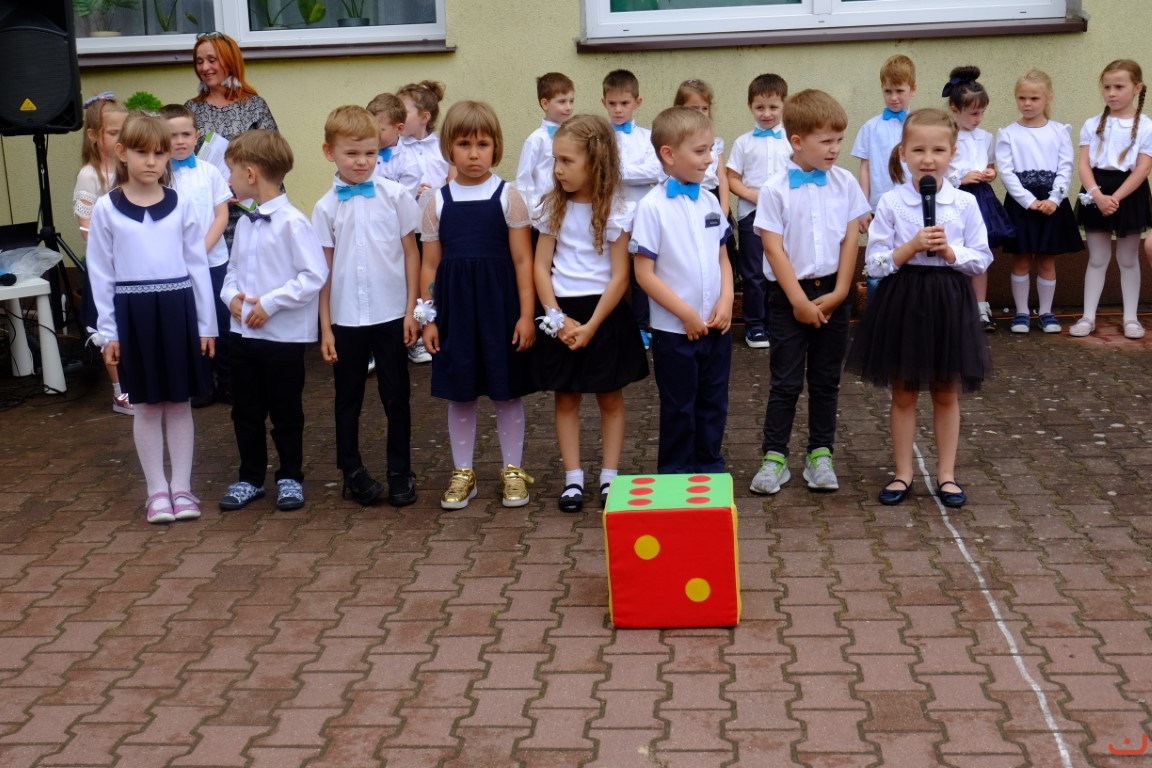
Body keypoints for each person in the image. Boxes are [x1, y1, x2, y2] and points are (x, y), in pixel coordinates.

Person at [845, 109, 993, 509]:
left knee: (946, 391)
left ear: (953, 153)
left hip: (949, 299)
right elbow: (874, 263)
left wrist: (951, 252)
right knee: (904, 392)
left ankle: (946, 475)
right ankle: (903, 473)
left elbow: (982, 257)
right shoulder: (892, 202)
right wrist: (909, 247)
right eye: (919, 150)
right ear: (903, 153)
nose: (928, 159)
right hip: (904, 299)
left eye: (938, 150)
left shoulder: (964, 203)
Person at [85, 112, 217, 524]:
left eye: (159, 154)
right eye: (142, 152)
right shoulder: (106, 209)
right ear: (122, 153)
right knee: (145, 406)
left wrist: (206, 324)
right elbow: (100, 273)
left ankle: (182, 487)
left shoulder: (181, 204)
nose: (151, 161)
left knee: (178, 402)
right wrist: (108, 332)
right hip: (133, 314)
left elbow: (197, 265)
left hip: (177, 310)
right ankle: (156, 491)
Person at [748, 90, 871, 496]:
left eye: (839, 140)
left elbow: (850, 240)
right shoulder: (774, 189)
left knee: (825, 380)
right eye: (826, 141)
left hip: (833, 290)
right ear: (797, 141)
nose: (835, 149)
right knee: (785, 380)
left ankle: (820, 454)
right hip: (788, 296)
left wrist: (841, 292)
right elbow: (772, 248)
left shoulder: (845, 183)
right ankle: (774, 456)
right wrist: (798, 301)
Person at [418, 101, 537, 509]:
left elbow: (522, 260)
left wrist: (526, 315)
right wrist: (428, 317)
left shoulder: (509, 197)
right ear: (449, 148)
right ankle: (463, 472)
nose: (473, 154)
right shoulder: (436, 202)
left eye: (482, 144)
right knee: (461, 392)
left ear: (496, 147)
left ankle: (512, 470)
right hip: (456, 312)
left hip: (500, 308)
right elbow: (429, 264)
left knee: (507, 392)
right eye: (464, 144)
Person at [533, 114, 648, 512]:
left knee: (610, 397)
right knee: (566, 398)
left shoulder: (616, 209)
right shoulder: (552, 207)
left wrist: (593, 325)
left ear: (595, 161)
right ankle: (573, 478)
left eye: (567, 160)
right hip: (562, 312)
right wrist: (556, 317)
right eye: (556, 160)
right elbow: (540, 267)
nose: (558, 169)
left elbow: (620, 276)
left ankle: (609, 477)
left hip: (604, 313)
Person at [312, 106, 422, 507]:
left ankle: (400, 471)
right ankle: (352, 471)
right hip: (346, 319)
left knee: (396, 396)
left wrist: (411, 310)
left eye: (370, 153)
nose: (362, 162)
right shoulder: (325, 207)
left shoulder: (395, 196)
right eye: (352, 154)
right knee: (348, 398)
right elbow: (322, 272)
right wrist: (325, 328)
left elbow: (411, 254)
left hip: (391, 314)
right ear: (329, 152)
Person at [218, 130, 328, 513]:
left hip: (282, 339)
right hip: (243, 336)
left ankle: (290, 476)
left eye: (231, 171)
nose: (227, 180)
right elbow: (232, 271)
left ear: (250, 174)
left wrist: (270, 303)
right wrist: (231, 297)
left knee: (285, 410)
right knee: (244, 410)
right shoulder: (244, 222)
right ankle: (250, 478)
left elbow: (313, 275)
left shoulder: (293, 223)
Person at [632, 106, 734, 475]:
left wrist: (726, 300)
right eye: (701, 151)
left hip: (716, 326)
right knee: (679, 407)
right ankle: (675, 474)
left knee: (713, 402)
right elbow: (644, 274)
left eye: (711, 150)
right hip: (675, 332)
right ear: (669, 154)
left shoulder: (709, 200)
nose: (709, 159)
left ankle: (709, 467)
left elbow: (722, 257)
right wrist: (685, 314)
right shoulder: (651, 208)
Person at [186, 32, 279, 405]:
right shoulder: (192, 110)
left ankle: (235, 376)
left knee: (242, 294)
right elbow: (180, 163)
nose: (205, 67)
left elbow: (272, 158)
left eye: (212, 59)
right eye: (199, 61)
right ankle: (205, 377)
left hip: (247, 213)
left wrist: (247, 187)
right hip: (209, 221)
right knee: (209, 296)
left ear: (230, 61)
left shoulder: (254, 106)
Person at [995, 70, 1083, 334]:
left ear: (1048, 98)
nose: (1027, 103)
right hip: (1021, 205)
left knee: (1046, 260)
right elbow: (1006, 172)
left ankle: (1045, 312)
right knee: (1021, 260)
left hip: (1051, 204)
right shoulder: (1008, 134)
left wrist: (1054, 199)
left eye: (1034, 98)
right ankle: (1021, 312)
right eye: (1022, 98)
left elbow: (1065, 168)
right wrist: (1029, 201)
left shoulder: (1059, 131)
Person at [1072, 59, 1152, 339]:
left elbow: (1143, 168)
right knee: (1097, 258)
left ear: (1137, 88)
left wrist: (1115, 198)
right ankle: (1088, 317)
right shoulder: (1092, 124)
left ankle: (1131, 318)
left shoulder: (1146, 126)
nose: (1112, 93)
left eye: (1119, 86)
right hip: (1097, 190)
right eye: (1107, 87)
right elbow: (1084, 164)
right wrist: (1097, 195)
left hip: (1128, 193)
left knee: (1128, 259)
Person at [160, 104, 232, 406]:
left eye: (185, 134)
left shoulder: (210, 172)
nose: (180, 141)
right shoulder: (160, 176)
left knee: (222, 321)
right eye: (172, 135)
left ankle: (228, 382)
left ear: (197, 135)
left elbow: (221, 215)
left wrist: (201, 249)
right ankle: (201, 384)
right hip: (177, 266)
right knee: (191, 323)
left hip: (213, 261)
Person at [942, 66, 1015, 332]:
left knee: (978, 251)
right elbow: (941, 170)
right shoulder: (947, 136)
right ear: (955, 109)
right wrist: (960, 178)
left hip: (981, 198)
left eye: (982, 112)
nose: (979, 118)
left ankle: (980, 307)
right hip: (954, 197)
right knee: (953, 250)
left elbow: (991, 165)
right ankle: (954, 307)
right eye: (973, 113)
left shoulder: (985, 137)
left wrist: (990, 173)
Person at [73, 92, 131, 415]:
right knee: (109, 329)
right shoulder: (90, 175)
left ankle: (138, 382)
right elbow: (85, 226)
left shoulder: (129, 169)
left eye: (125, 131)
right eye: (113, 132)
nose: (121, 137)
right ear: (94, 136)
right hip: (106, 267)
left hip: (131, 266)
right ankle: (120, 391)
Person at [726, 73, 791, 350]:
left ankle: (779, 322)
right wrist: (753, 195)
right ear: (750, 106)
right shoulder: (743, 143)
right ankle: (755, 325)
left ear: (784, 105)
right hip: (751, 213)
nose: (766, 113)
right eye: (760, 107)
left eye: (773, 107)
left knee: (782, 268)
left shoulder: (792, 140)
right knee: (753, 272)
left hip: (785, 216)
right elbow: (731, 178)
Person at [602, 69, 664, 349]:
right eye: (612, 103)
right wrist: (630, 172)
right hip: (609, 214)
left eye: (624, 103)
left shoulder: (649, 138)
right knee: (612, 271)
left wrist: (615, 171)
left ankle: (641, 326)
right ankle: (612, 325)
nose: (618, 109)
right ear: (604, 102)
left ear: (637, 102)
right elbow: (596, 172)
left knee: (641, 271)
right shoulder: (599, 137)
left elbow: (655, 171)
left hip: (640, 214)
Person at [398, 79, 451, 365]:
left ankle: (437, 327)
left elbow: (453, 179)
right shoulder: (396, 148)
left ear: (424, 117)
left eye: (403, 111)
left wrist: (438, 190)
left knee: (435, 278)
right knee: (413, 278)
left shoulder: (442, 147)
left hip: (438, 225)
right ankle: (413, 334)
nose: (396, 116)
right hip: (410, 227)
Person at [516, 72, 576, 218]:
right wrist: (532, 212)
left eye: (571, 101)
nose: (569, 107)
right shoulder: (536, 139)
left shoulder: (574, 136)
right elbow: (524, 179)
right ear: (545, 104)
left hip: (568, 209)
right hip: (542, 211)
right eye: (562, 101)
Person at [367, 92, 421, 199]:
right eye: (368, 128)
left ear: (399, 128)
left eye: (379, 130)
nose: (372, 134)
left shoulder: (409, 164)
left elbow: (404, 201)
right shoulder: (360, 153)